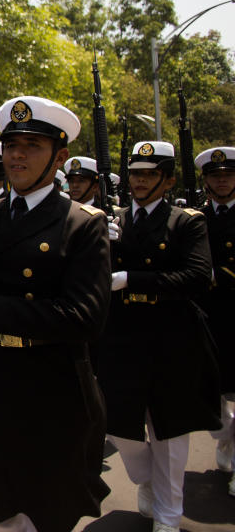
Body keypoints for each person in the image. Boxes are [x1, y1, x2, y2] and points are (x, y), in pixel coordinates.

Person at [0, 96, 110, 532]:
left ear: (60, 158)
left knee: (46, 514)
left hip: (51, 390)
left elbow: (85, 317)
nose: (16, 155)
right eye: (11, 144)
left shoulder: (81, 223)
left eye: (32, 145)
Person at [97, 140, 219, 532]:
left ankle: (168, 517)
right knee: (117, 426)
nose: (140, 181)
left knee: (169, 434)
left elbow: (198, 276)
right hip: (122, 340)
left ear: (167, 180)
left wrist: (132, 278)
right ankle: (146, 479)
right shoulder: (111, 219)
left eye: (149, 174)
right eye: (135, 173)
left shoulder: (187, 222)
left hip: (171, 340)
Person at [194, 147, 235, 485]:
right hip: (205, 315)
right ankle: (227, 431)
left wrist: (216, 274)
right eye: (215, 176)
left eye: (227, 175)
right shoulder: (195, 218)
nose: (221, 181)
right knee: (213, 390)